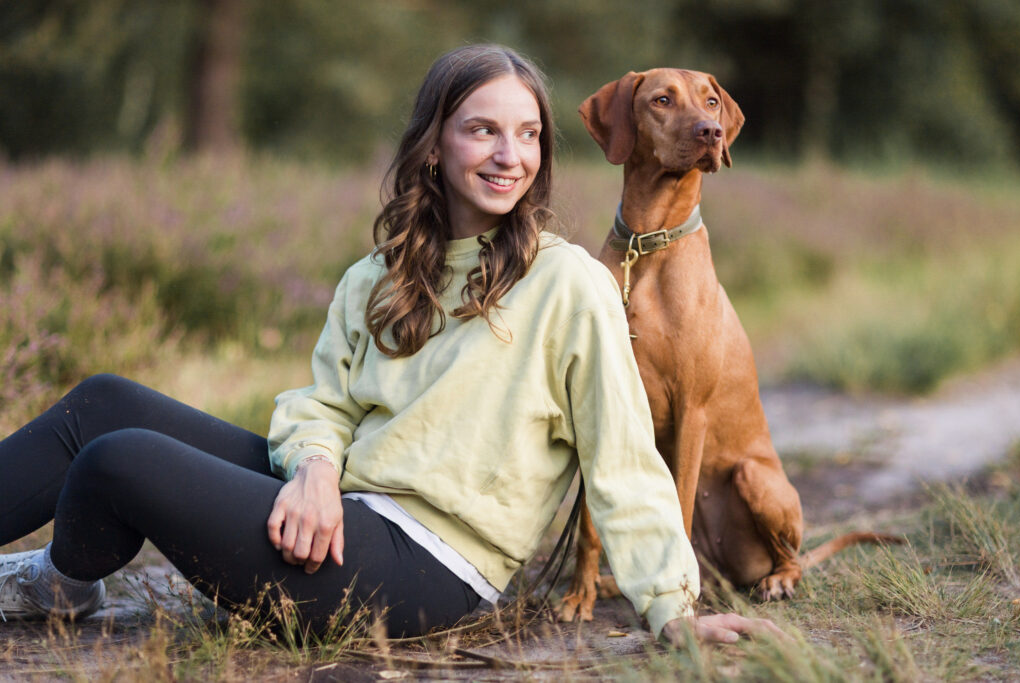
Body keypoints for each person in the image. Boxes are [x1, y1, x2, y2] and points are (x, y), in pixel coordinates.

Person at [0, 44, 779, 645]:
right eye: (483, 129)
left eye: (528, 134)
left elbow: (623, 454)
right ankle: (65, 578)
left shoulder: (569, 282)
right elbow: (323, 404)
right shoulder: (377, 273)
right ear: (434, 144)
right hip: (342, 508)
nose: (511, 155)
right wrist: (311, 467)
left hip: (426, 565)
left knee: (120, 459)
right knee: (103, 402)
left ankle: (60, 587)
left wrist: (674, 609)